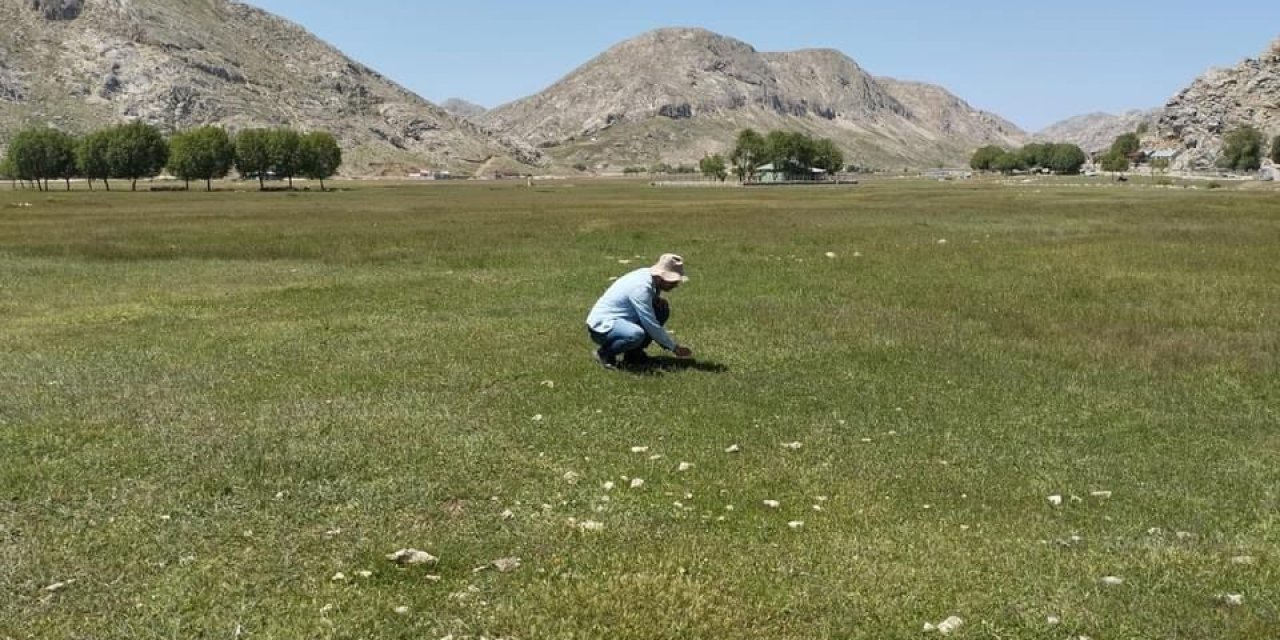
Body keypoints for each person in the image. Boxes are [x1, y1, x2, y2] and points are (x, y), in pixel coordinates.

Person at [586, 253, 694, 369]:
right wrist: (674, 347)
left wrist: (655, 299)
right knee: (635, 334)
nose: (676, 285)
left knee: (661, 309)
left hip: (621, 320)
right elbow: (650, 323)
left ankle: (633, 355)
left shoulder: (649, 277)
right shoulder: (641, 288)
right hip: (603, 327)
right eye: (672, 281)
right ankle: (604, 353)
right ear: (661, 276)